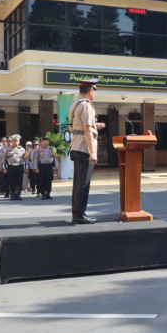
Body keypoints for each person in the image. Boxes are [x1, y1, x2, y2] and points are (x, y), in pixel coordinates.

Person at [68, 78, 105, 224]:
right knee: (83, 183)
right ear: (90, 91)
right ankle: (79, 216)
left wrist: (95, 125)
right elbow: (87, 129)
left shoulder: (75, 105)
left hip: (76, 145)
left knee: (78, 183)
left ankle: (77, 214)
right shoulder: (87, 106)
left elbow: (72, 128)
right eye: (94, 90)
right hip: (84, 148)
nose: (95, 93)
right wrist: (93, 152)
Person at [3, 134, 27, 200]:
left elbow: (26, 159)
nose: (16, 142)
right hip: (11, 167)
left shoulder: (22, 149)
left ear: (19, 141)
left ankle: (18, 194)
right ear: (12, 141)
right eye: (14, 141)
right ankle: (12, 194)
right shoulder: (7, 149)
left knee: (19, 181)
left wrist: (26, 168)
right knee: (11, 181)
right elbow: (3, 159)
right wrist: (4, 168)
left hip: (20, 166)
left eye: (17, 141)